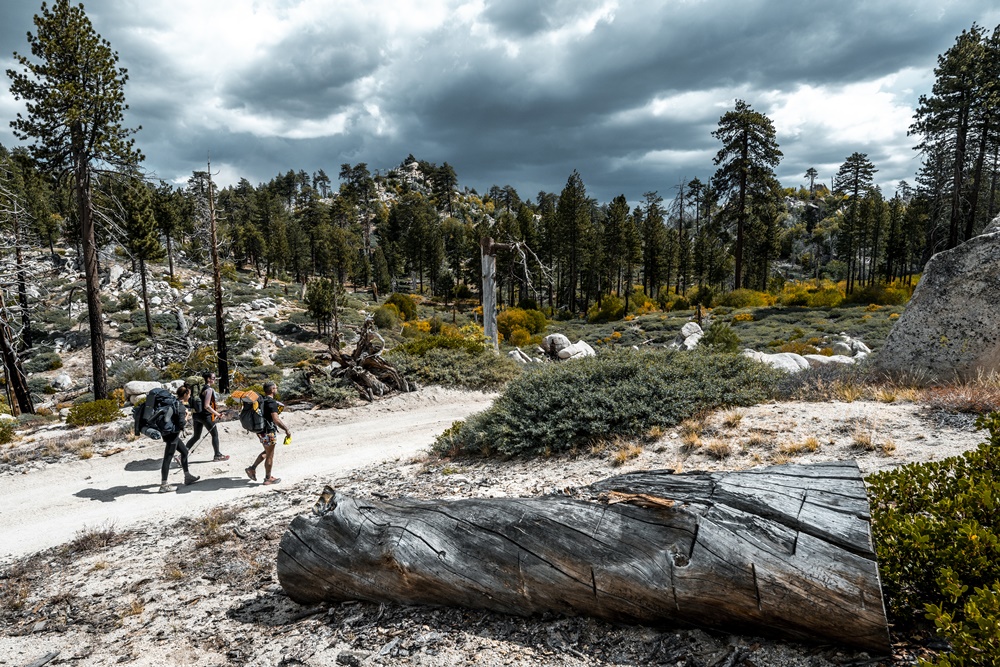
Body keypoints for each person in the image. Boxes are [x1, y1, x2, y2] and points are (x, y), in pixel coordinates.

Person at [245, 381, 290, 485]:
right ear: (272, 390)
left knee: (267, 452)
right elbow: (276, 420)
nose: (277, 389)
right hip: (268, 432)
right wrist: (286, 429)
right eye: (276, 387)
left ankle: (252, 469)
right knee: (270, 455)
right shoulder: (271, 402)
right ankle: (268, 478)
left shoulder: (262, 400)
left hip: (260, 431)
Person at [160, 386, 200, 493]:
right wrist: (187, 416)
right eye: (189, 394)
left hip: (169, 434)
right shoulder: (181, 407)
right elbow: (182, 424)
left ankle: (187, 476)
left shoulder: (173, 403)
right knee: (167, 458)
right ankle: (164, 485)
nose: (190, 396)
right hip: (172, 435)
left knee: (184, 451)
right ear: (186, 394)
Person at [185, 372, 228, 461]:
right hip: (205, 416)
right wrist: (218, 414)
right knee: (215, 434)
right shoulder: (209, 390)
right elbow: (207, 406)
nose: (215, 379)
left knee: (196, 436)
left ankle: (182, 455)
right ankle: (217, 455)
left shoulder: (198, 389)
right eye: (213, 378)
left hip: (196, 415)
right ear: (208, 379)